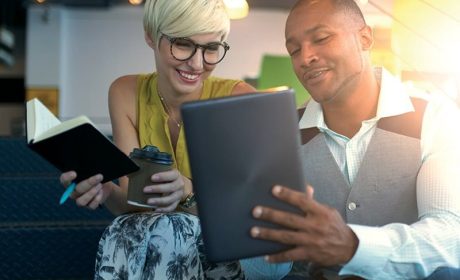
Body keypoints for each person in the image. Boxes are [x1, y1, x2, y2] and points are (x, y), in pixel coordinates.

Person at [59, 0, 290, 279]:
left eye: (211, 49)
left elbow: (258, 224)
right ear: (150, 35)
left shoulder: (240, 100)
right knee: (129, 228)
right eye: (183, 44)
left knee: (167, 230)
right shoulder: (125, 93)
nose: (196, 63)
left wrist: (188, 191)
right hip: (158, 242)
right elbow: (134, 207)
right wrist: (108, 192)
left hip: (228, 254)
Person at [249, 0, 460, 279]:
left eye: (321, 39)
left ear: (364, 38)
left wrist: (353, 246)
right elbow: (261, 273)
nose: (305, 57)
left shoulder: (435, 117)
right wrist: (266, 228)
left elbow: (450, 234)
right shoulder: (278, 132)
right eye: (294, 50)